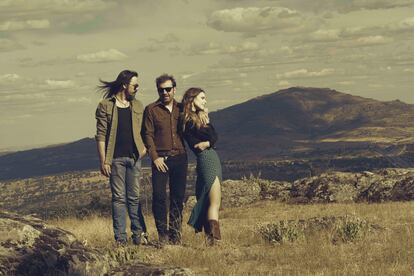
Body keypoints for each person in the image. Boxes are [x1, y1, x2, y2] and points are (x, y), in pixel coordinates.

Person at [95, 70, 147, 245]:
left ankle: (138, 237)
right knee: (118, 199)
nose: (137, 88)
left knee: (134, 198)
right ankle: (121, 240)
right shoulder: (105, 106)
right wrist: (104, 161)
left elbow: (144, 130)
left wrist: (144, 148)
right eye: (135, 85)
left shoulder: (138, 105)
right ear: (125, 85)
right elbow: (101, 135)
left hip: (134, 158)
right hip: (115, 159)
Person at [141, 74, 188, 245]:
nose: (165, 92)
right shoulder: (151, 110)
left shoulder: (182, 109)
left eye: (168, 89)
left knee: (178, 198)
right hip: (160, 160)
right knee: (159, 197)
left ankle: (175, 236)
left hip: (180, 158)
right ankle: (163, 235)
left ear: (174, 89)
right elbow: (147, 135)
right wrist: (154, 157)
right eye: (161, 90)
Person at [181, 87, 222, 245]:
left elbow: (212, 138)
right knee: (214, 202)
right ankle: (214, 240)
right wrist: (208, 139)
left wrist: (209, 141)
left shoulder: (199, 118)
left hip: (211, 158)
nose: (205, 101)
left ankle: (211, 239)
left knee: (209, 200)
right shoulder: (189, 121)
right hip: (206, 160)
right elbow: (205, 140)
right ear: (192, 100)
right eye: (202, 98)